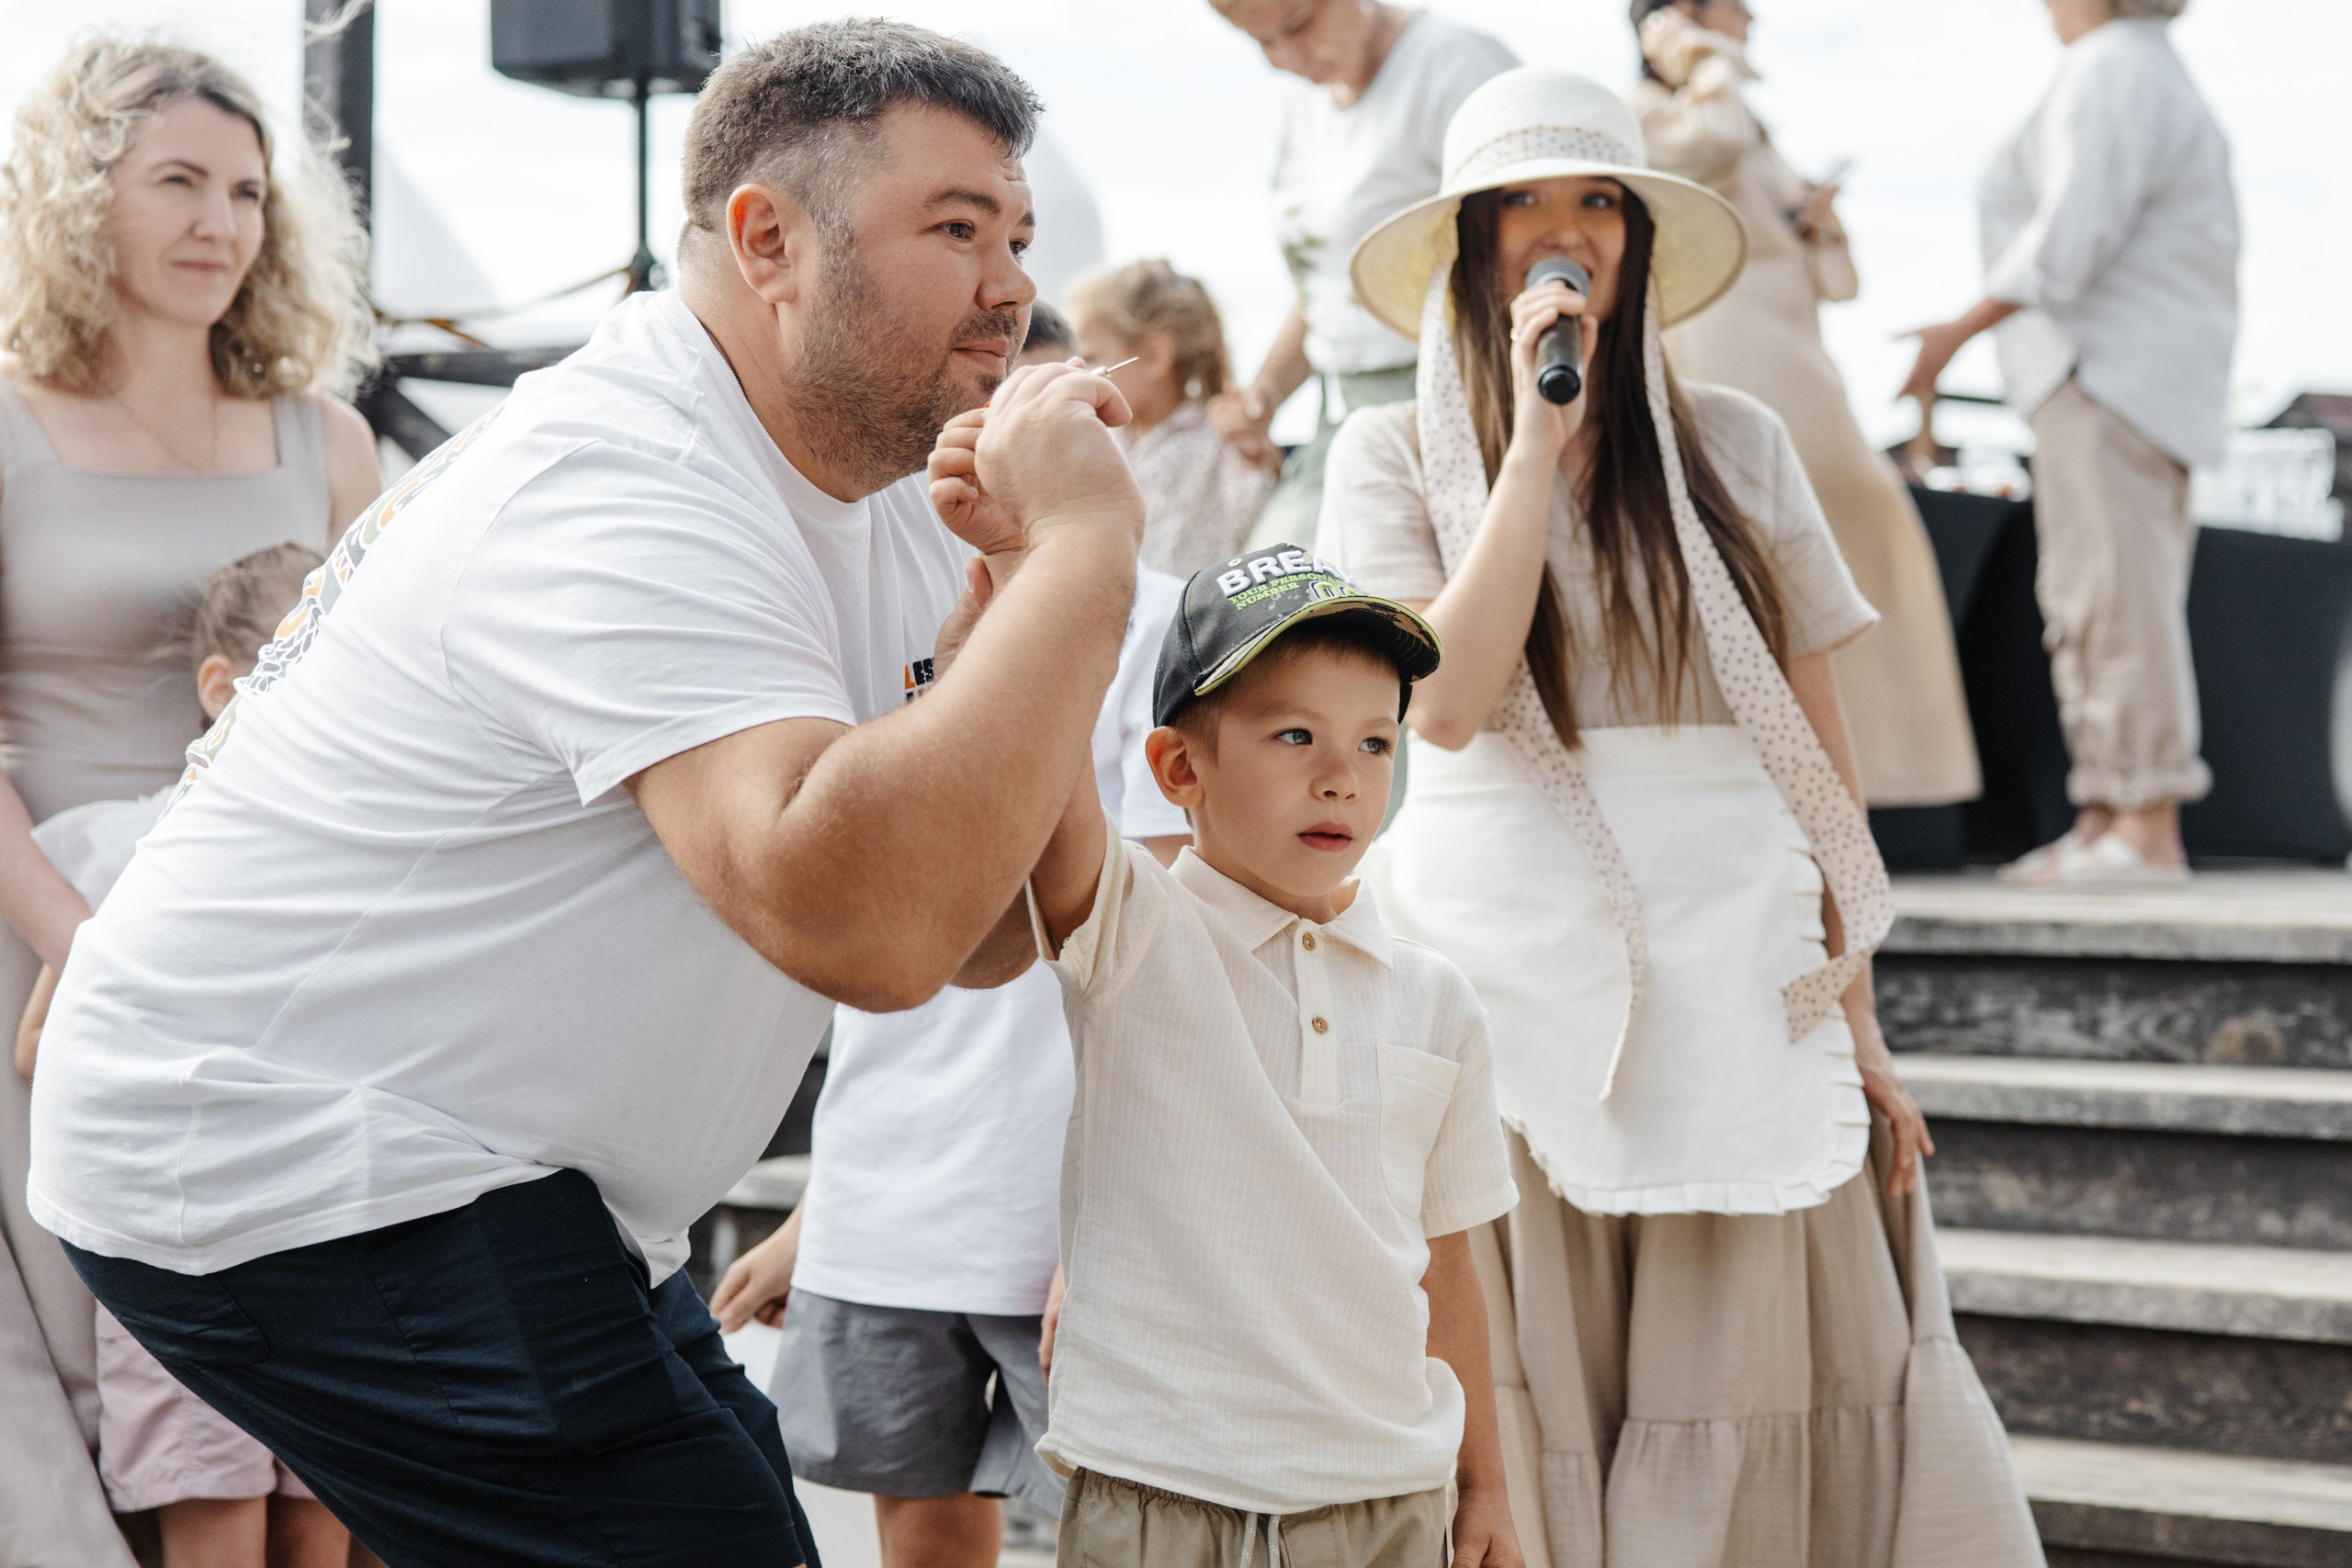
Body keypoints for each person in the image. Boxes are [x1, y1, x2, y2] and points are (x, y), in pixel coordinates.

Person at [28, 21, 1150, 1566]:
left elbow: (982, 935)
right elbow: (872, 925)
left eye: (1015, 235)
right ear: (769, 240)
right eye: (955, 228)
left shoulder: (890, 502)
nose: (1010, 283)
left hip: (509, 1169)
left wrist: (1014, 619)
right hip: (291, 1141)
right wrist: (1085, 560)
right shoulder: (626, 477)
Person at [1325, 69, 2042, 1565]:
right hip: (1501, 977)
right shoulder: (1388, 454)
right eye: (1527, 201)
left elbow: (1815, 765)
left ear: (1640, 240)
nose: (1565, 231)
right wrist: (1530, 445)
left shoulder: (1737, 445)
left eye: (1600, 201)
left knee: (1745, 1402)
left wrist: (1859, 1022)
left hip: (1734, 966)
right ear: (1469, 241)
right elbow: (1439, 709)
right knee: (1528, 1418)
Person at [703, 317, 1193, 1568]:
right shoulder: (870, 623)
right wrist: (826, 1208)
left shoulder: (1166, 626)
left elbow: (1161, 968)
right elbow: (890, 980)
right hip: (897, 1205)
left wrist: (1115, 1221)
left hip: (1073, 1204)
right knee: (919, 1528)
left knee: (1132, 1524)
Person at [0, 37, 378, 1566]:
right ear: (77, 201)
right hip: (43, 951)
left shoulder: (326, 440)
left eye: (244, 188)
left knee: (298, 1398)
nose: (223, 220)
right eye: (177, 181)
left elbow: (386, 728)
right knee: (79, 1379)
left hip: (279, 970)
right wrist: (86, 946)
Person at [1028, 552, 1523, 1568]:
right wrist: (1024, 561)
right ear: (1178, 770)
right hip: (1159, 1490)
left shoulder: (1436, 999)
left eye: (1376, 742)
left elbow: (1449, 1265)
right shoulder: (1131, 929)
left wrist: (1487, 1486)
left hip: (1383, 1500)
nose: (1342, 774)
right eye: (1294, 734)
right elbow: (1044, 775)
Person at [17, 544, 349, 1568]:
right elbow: (43, 1047)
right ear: (223, 690)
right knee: (219, 1523)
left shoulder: (355, 867)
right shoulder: (145, 857)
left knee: (323, 1522)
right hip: (185, 1257)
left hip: (325, 1264)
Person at [1902, 0, 2235, 884]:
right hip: (2107, 377)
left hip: (2107, 375)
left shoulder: (2116, 68)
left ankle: (2145, 825)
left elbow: (2067, 241)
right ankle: (2107, 815)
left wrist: (1952, 335)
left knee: (2114, 598)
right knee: (2088, 598)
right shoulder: (2131, 67)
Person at [1628, 0, 1981, 811]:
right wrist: (1698, 59)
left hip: (1805, 368)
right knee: (1761, 558)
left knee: (1862, 551)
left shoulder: (1754, 126)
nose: (1750, 17)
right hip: (1727, 362)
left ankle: (1868, 784)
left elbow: (1842, 283)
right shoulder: (1656, 113)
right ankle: (1775, 787)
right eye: (1732, 8)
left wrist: (1818, 223)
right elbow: (1706, 148)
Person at [1204, 0, 1516, 552]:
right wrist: (1266, 395)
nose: (1284, 60)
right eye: (1262, 42)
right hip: (1340, 413)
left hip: (1455, 409)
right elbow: (1334, 284)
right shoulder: (1308, 103)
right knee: (1266, 602)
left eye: (1297, 26)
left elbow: (1525, 245)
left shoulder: (1455, 66)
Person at [1066, 259, 1274, 575]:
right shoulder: (1099, 439)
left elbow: (1255, 531)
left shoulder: (1219, 438)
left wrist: (1257, 460)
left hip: (1189, 618)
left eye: (1092, 357)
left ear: (1153, 357)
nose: (1079, 371)